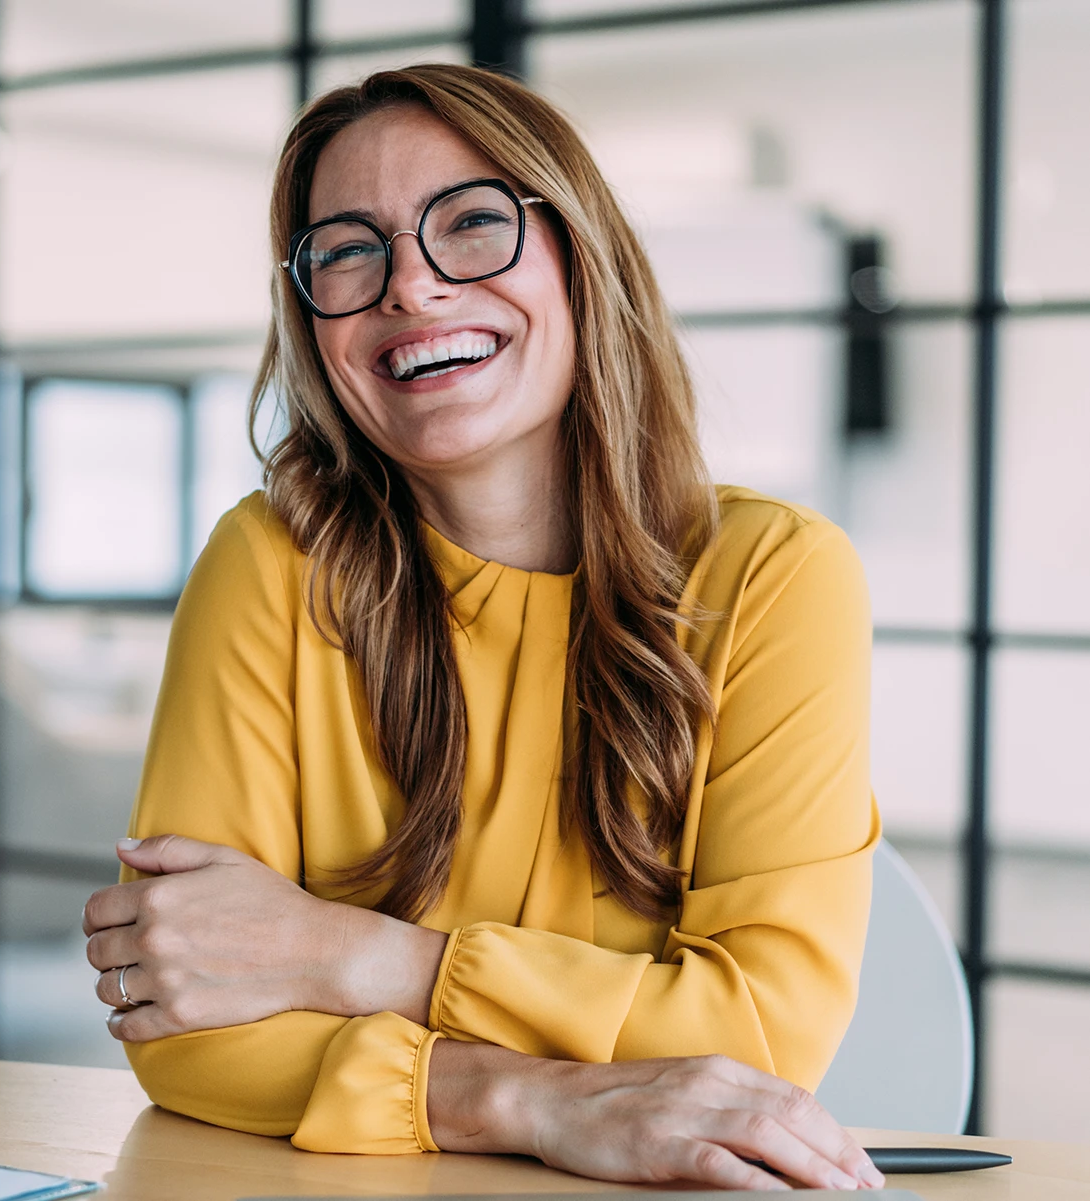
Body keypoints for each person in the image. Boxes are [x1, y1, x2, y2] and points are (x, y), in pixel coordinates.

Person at [82, 64, 883, 1192]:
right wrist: (531, 1098)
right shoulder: (270, 562)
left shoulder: (774, 578)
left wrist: (348, 957)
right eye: (349, 250)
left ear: (580, 257)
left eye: (470, 224)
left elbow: (759, 1037)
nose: (409, 288)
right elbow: (189, 1026)